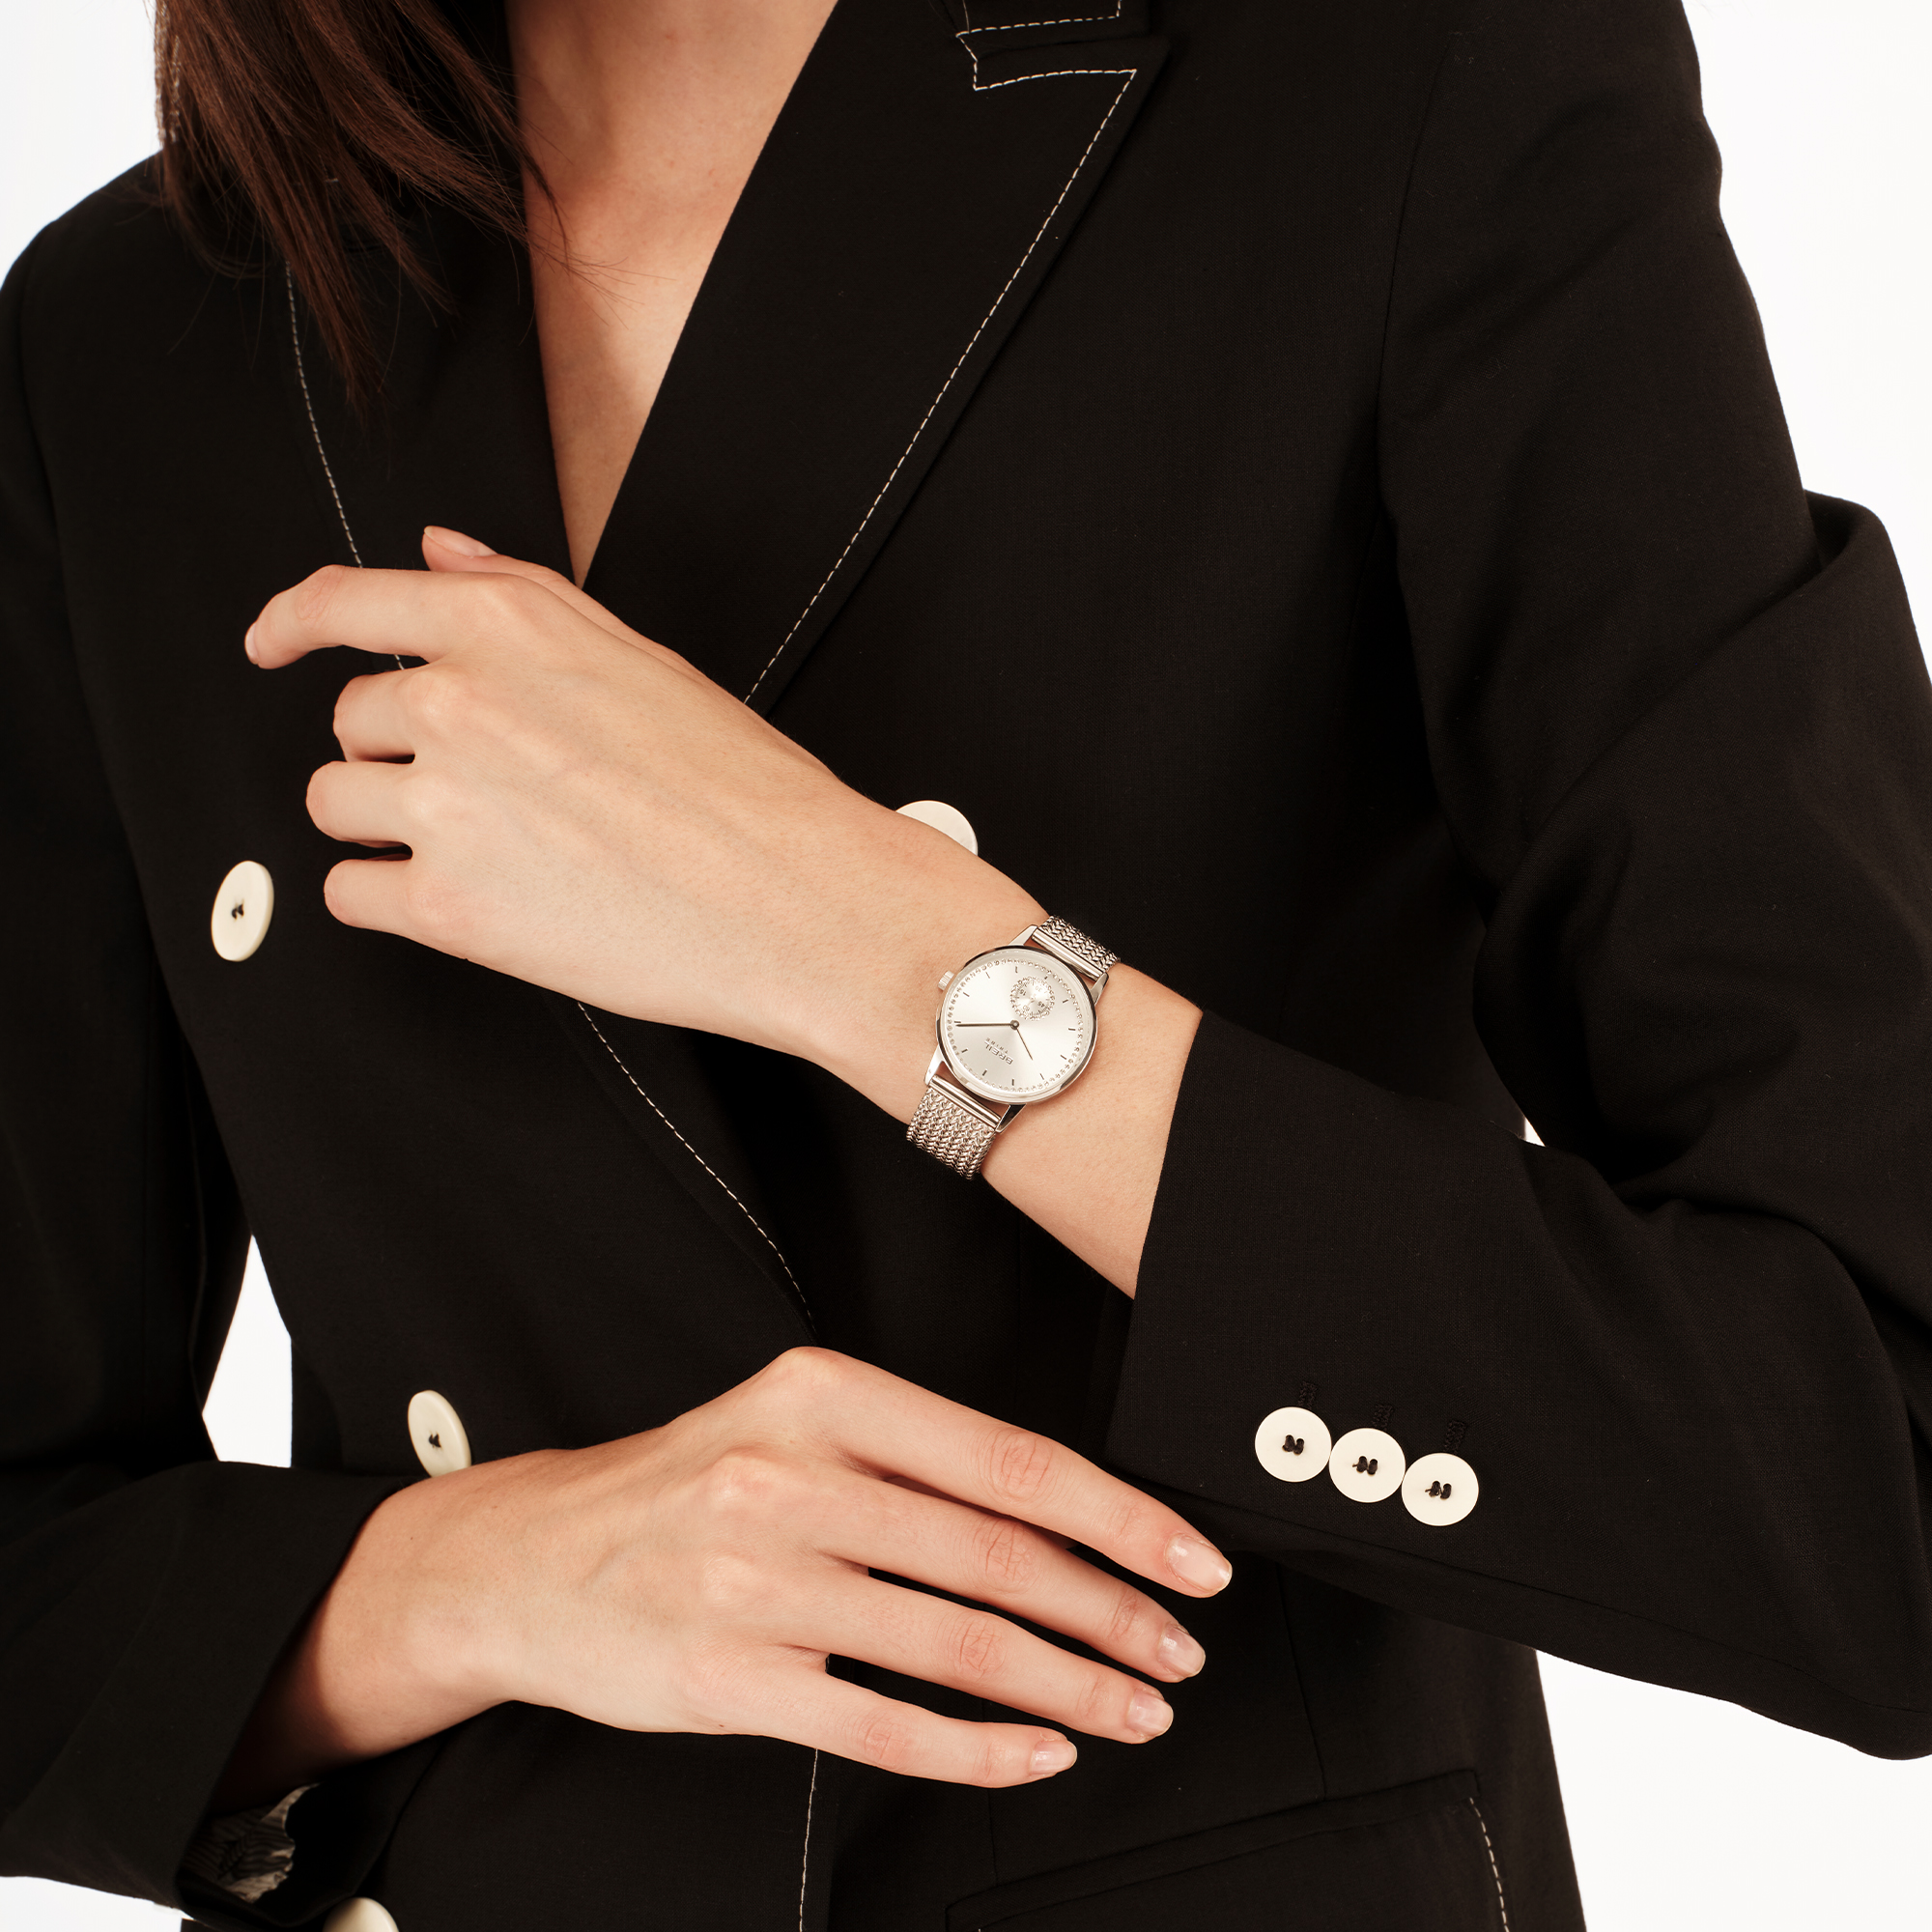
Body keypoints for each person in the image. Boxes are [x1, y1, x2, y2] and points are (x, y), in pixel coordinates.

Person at [4, 0, 1930, 1926]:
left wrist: (882, 953)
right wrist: (483, 1578)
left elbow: (1878, 1473)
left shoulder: (1408, 84)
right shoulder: (126, 333)